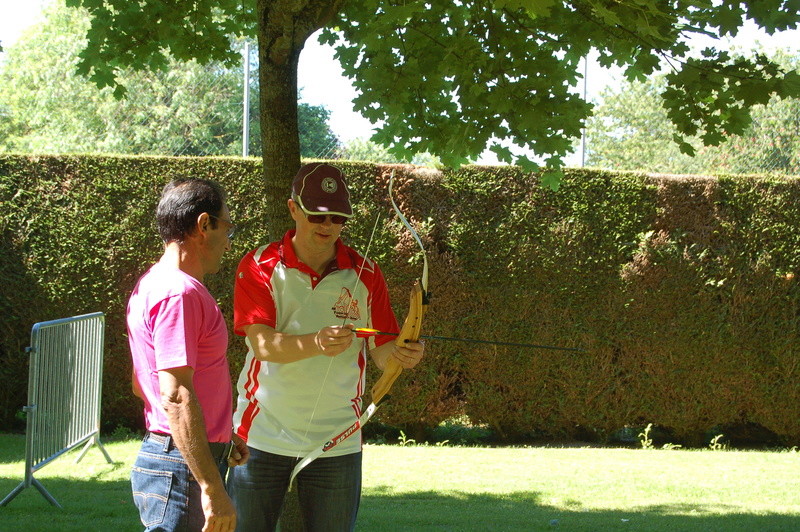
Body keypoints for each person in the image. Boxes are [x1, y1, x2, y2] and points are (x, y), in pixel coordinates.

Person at [227, 163, 425, 531]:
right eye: (317, 214)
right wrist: (318, 341)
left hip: (338, 437)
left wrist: (401, 355)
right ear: (293, 209)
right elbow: (264, 346)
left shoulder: (366, 273)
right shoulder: (260, 265)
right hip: (263, 432)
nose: (327, 226)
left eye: (337, 217)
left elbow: (381, 349)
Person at [127, 178, 250, 532]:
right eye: (227, 226)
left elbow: (141, 384)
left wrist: (221, 435)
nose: (228, 240)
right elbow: (176, 395)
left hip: (181, 458)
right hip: (181, 468)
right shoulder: (178, 293)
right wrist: (210, 487)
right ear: (203, 225)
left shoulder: (153, 284)